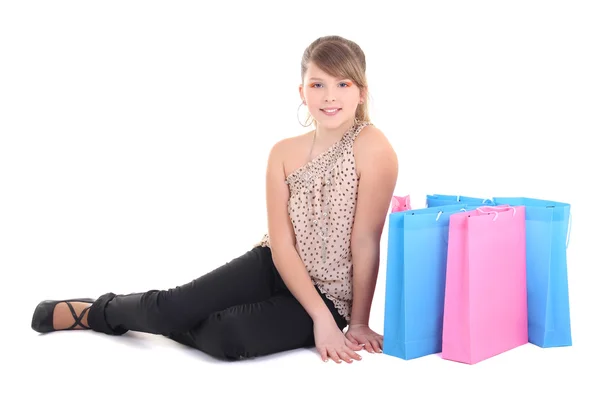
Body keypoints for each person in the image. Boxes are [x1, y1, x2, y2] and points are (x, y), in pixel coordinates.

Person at [30, 35, 399, 364]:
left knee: (226, 336)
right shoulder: (282, 153)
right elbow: (282, 243)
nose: (330, 95)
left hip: (331, 296)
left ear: (362, 92)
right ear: (302, 92)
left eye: (343, 83)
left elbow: (365, 240)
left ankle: (163, 321)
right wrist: (317, 319)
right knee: (171, 307)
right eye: (317, 84)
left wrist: (356, 321)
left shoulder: (372, 147)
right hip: (273, 265)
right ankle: (98, 312)